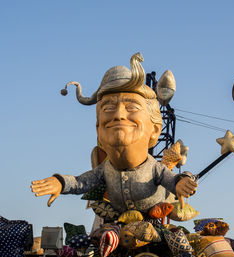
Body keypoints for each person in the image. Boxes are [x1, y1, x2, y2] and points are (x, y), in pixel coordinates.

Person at [31, 53, 197, 215]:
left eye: (132, 107)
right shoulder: (105, 170)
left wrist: (181, 183)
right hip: (117, 226)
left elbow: (172, 180)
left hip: (152, 225)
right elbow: (80, 182)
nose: (118, 114)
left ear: (154, 129)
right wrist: (60, 182)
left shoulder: (155, 169)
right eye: (108, 108)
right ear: (99, 129)